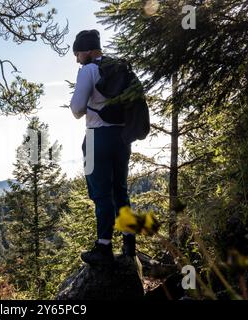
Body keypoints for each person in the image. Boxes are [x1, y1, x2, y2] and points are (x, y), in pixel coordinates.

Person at [70, 29, 136, 265]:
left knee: (101, 194)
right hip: (122, 137)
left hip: (96, 137)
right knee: (120, 190)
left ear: (87, 51)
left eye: (77, 53)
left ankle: (104, 247)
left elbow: (77, 109)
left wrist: (86, 102)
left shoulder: (89, 70)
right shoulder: (119, 68)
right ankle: (129, 244)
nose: (76, 58)